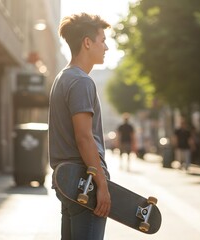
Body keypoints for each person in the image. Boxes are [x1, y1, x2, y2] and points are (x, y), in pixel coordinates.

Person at [48, 13, 111, 240]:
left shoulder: (62, 78)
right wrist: (102, 185)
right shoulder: (81, 81)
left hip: (67, 182)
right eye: (102, 40)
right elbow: (84, 137)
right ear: (87, 42)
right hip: (86, 184)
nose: (106, 47)